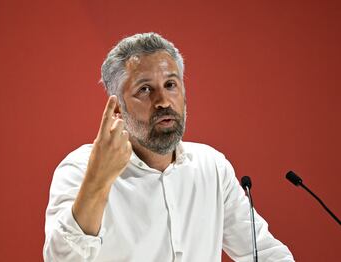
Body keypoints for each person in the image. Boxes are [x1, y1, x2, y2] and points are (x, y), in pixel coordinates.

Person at [43, 33, 294, 261]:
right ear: (118, 107)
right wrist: (97, 181)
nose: (163, 101)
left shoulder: (212, 167)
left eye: (171, 85)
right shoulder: (80, 169)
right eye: (145, 89)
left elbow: (265, 253)